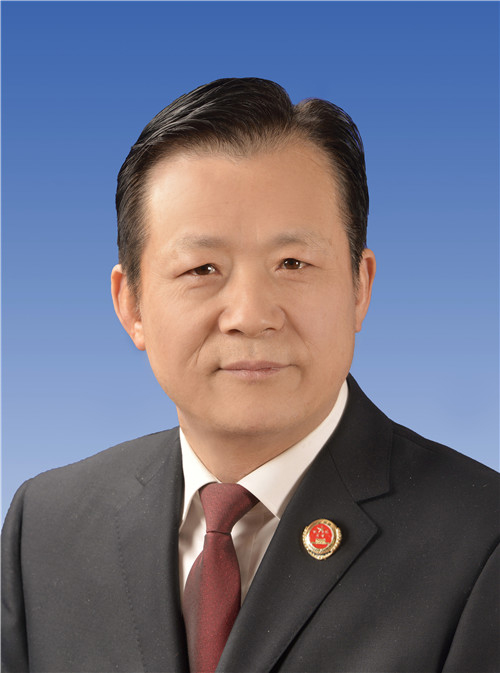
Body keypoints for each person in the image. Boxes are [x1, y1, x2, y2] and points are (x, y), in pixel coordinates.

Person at [2, 78, 498, 673]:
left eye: (292, 263)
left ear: (359, 287)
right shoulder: (45, 527)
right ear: (130, 305)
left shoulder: (482, 542)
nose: (250, 315)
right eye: (202, 268)